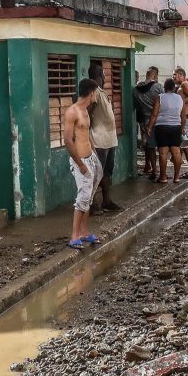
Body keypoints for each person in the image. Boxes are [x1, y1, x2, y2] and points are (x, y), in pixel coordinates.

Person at [63, 78, 105, 250]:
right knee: (82, 198)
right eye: (96, 92)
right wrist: (80, 164)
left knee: (88, 197)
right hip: (80, 161)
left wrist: (94, 156)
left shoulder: (86, 111)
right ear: (91, 93)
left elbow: (86, 136)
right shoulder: (72, 112)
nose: (97, 96)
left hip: (90, 158)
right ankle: (74, 236)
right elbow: (67, 140)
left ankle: (84, 232)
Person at [87, 64, 122, 214]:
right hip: (99, 139)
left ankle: (106, 201)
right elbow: (87, 113)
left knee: (107, 172)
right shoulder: (93, 92)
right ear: (101, 74)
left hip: (109, 139)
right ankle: (93, 203)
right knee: (96, 173)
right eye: (103, 73)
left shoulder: (101, 91)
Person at [147, 78, 186, 184]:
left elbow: (154, 114)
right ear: (174, 88)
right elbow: (183, 115)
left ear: (164, 88)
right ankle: (176, 177)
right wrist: (182, 128)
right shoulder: (180, 98)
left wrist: (149, 127)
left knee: (163, 153)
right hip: (176, 127)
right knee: (176, 152)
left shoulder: (160, 97)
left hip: (162, 127)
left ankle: (163, 177)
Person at [133, 66, 164, 181]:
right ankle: (161, 171)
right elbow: (164, 102)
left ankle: (151, 168)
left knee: (149, 146)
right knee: (161, 147)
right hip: (159, 121)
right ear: (155, 76)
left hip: (145, 122)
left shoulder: (136, 89)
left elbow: (136, 106)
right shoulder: (158, 87)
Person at [173, 68, 188, 179]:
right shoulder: (180, 86)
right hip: (185, 118)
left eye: (175, 75)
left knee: (186, 144)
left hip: (187, 119)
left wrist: (181, 102)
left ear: (181, 75)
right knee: (184, 145)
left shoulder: (184, 84)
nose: (173, 77)